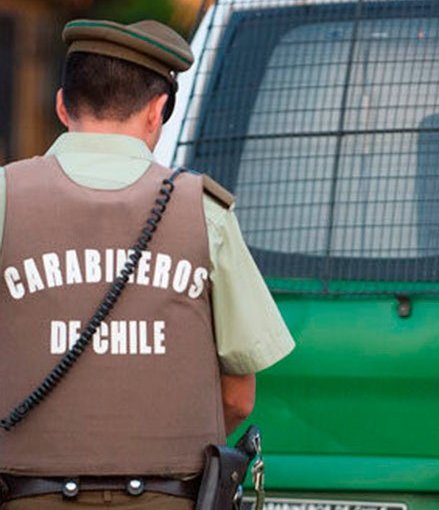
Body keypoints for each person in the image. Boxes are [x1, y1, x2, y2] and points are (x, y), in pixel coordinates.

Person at [0, 19, 295, 509]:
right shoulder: (204, 213)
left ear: (61, 105)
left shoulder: (7, 198)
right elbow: (239, 397)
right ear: (158, 111)